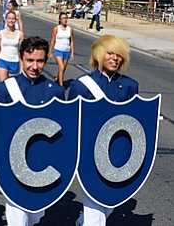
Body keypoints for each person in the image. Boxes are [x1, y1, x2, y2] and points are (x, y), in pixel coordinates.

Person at [0, 36, 64, 226]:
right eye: (30, 60)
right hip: (13, 163)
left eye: (40, 61)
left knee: (35, 214)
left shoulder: (55, 91)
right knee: (17, 217)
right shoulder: (5, 89)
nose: (35, 66)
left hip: (42, 163)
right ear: (21, 58)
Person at [69, 35, 137, 226]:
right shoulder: (81, 85)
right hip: (89, 153)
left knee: (109, 202)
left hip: (117, 153)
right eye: (110, 53)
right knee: (94, 202)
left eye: (119, 55)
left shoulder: (130, 86)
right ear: (99, 55)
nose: (115, 58)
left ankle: (83, 221)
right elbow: (70, 121)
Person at [0, 11, 24, 81]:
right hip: (3, 61)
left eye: (13, 19)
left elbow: (21, 52)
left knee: (12, 86)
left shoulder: (20, 34)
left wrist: (22, 67)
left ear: (15, 20)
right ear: (6, 19)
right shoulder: (0, 34)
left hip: (15, 61)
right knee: (4, 84)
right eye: (9, 18)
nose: (11, 20)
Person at [49, 12, 75, 86]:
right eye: (63, 18)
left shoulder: (70, 29)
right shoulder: (56, 29)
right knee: (61, 67)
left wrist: (72, 53)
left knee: (63, 69)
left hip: (66, 51)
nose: (65, 20)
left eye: (66, 18)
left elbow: (72, 41)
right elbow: (52, 40)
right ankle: (61, 85)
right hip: (58, 51)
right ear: (60, 20)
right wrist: (50, 52)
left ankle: (57, 78)